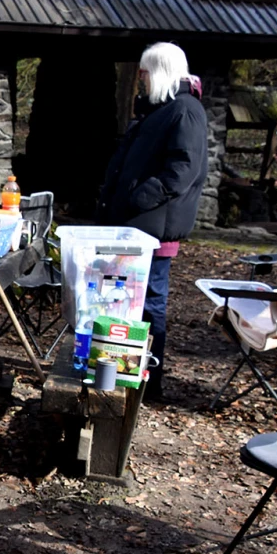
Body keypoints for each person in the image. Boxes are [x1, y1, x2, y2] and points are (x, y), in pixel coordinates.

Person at [98, 42, 208, 402]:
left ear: (160, 71)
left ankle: (149, 379)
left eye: (145, 71)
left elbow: (182, 169)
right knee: (124, 300)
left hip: (154, 229)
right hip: (135, 226)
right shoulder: (158, 111)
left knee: (150, 305)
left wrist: (140, 197)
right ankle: (121, 368)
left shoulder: (185, 111)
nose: (140, 78)